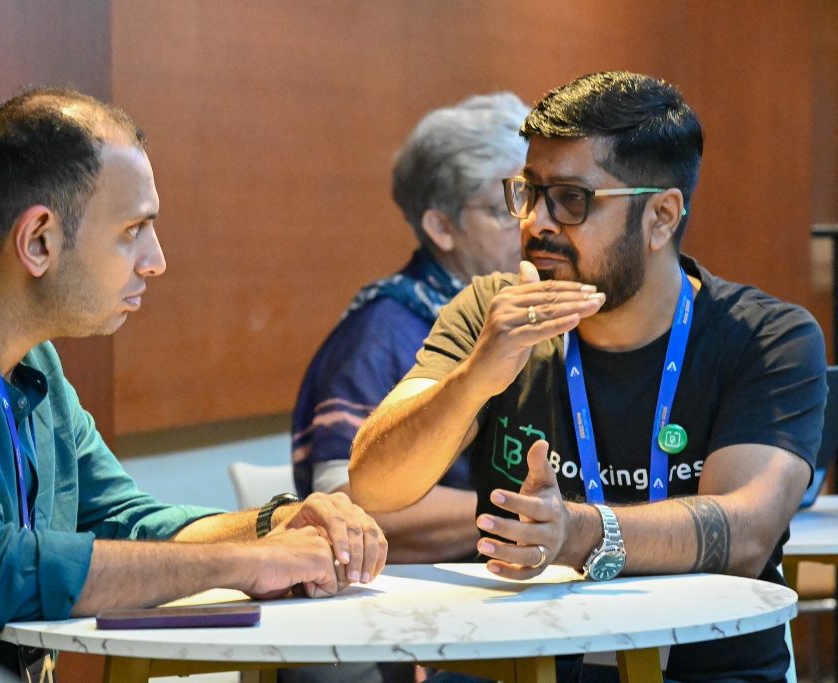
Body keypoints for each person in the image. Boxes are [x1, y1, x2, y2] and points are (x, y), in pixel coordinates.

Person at [0, 89, 387, 655]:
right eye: (132, 230)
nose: (155, 260)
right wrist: (248, 562)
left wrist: (274, 526)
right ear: (39, 241)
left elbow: (123, 521)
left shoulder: (33, 359)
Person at [349, 71, 826, 682]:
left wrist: (577, 531)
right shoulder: (491, 315)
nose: (536, 223)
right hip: (515, 664)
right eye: (528, 193)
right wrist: (474, 378)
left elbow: (747, 530)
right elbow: (375, 488)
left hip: (703, 669)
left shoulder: (765, 336)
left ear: (660, 217)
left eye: (571, 199)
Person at [292, 92, 529, 564]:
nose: (530, 226)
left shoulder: (533, 311)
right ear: (442, 227)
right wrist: (535, 513)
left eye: (530, 198)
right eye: (504, 211)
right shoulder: (381, 334)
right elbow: (346, 506)